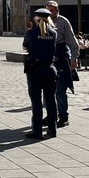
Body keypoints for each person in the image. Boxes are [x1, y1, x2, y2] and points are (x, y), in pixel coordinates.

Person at [22, 8, 58, 139]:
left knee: (36, 101)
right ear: (49, 19)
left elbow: (25, 46)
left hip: (35, 70)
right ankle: (52, 130)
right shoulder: (53, 33)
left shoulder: (31, 33)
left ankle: (37, 131)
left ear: (36, 19)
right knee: (51, 100)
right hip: (50, 69)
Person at [45, 1, 80, 128]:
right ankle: (50, 115)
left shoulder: (63, 22)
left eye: (52, 10)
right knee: (48, 90)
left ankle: (63, 116)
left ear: (57, 10)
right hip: (48, 58)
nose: (50, 13)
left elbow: (72, 42)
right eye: (48, 10)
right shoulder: (43, 21)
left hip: (61, 57)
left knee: (60, 90)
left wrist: (74, 59)